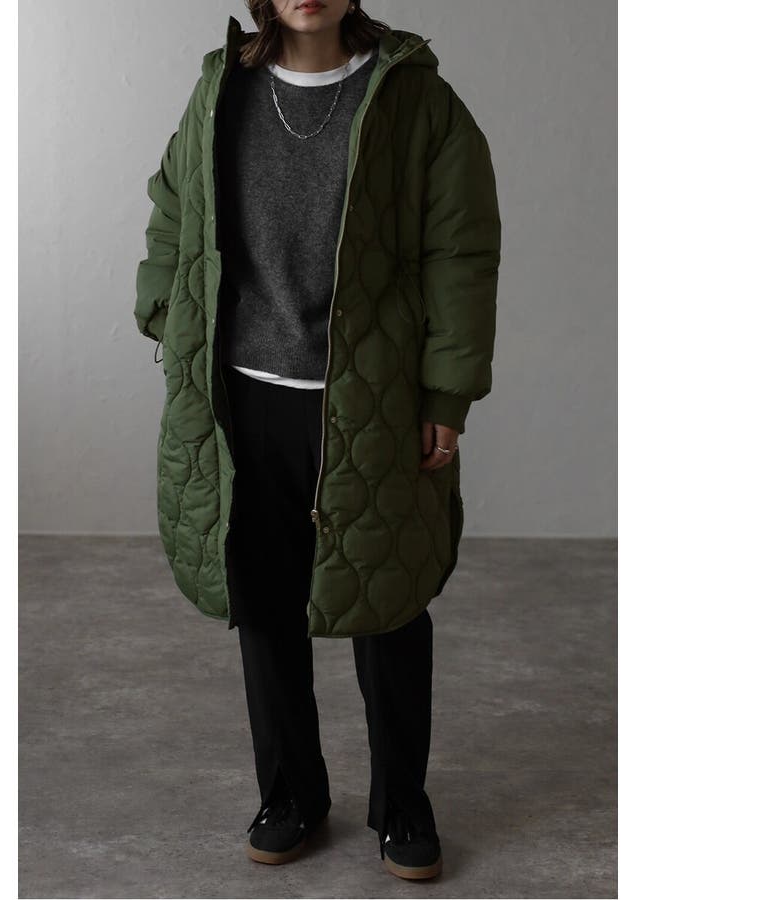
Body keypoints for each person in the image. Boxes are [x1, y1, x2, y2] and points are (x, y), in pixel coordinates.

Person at [134, 0, 500, 882]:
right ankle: (290, 794)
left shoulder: (413, 97)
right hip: (245, 394)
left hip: (372, 395)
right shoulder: (223, 88)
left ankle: (402, 804)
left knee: (389, 601)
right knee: (263, 604)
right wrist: (165, 314)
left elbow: (460, 251)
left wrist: (446, 393)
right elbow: (174, 205)